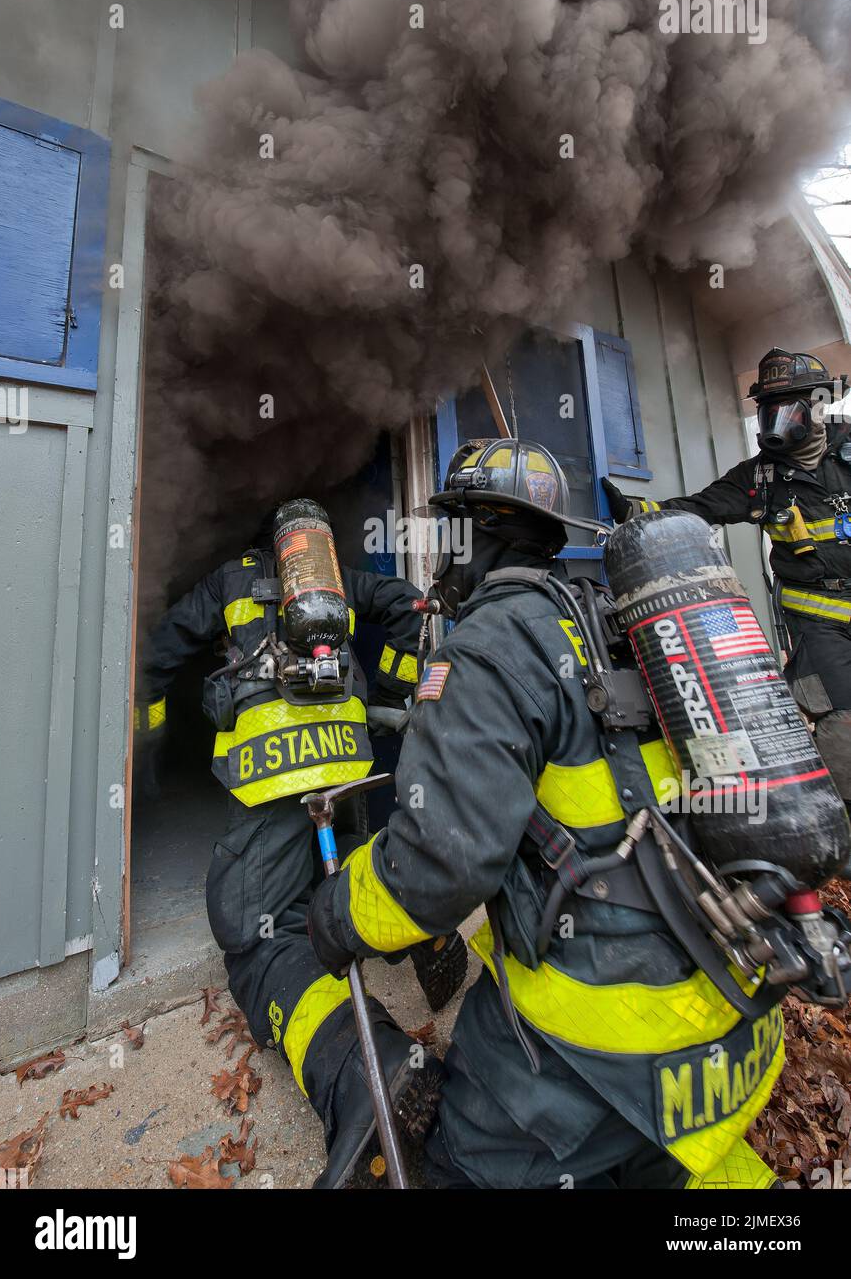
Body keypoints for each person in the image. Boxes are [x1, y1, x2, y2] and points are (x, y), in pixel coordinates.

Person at [308, 438, 785, 1189]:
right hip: (732, 1011)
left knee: (450, 1169)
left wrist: (338, 915)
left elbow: (438, 871)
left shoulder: (487, 646)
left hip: (601, 1049)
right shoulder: (610, 621)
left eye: (448, 533)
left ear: (474, 534)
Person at [135, 501, 466, 1184]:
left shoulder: (226, 580)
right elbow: (410, 606)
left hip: (276, 779)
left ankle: (362, 1072)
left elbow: (163, 650)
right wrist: (401, 696)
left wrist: (151, 734)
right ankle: (422, 934)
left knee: (258, 939)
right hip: (349, 760)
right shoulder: (338, 580)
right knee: (347, 876)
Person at [602, 348, 851, 808]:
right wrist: (637, 512)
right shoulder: (760, 478)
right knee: (843, 717)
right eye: (768, 411)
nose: (775, 422)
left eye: (787, 409)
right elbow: (700, 507)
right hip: (817, 621)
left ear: (817, 406)